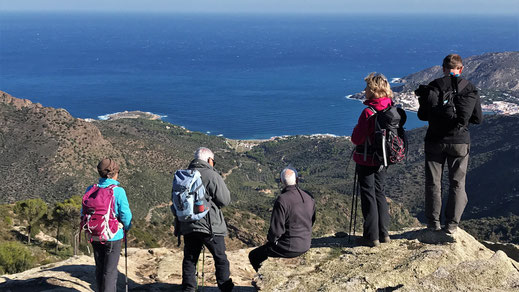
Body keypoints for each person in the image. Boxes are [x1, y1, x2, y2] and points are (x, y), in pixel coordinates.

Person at [416, 54, 482, 234]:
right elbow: (477, 118)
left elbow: (422, 115)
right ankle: (452, 225)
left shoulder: (433, 86)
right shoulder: (469, 88)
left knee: (433, 183)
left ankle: (433, 223)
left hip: (435, 141)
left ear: (443, 68)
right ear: (461, 69)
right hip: (459, 142)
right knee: (457, 183)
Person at [177, 147, 234, 292]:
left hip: (188, 224)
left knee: (190, 259)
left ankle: (189, 288)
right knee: (220, 258)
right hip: (210, 226)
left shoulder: (184, 175)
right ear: (209, 160)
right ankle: (225, 287)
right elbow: (225, 200)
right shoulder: (211, 175)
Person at [351, 72, 393, 247]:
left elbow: (357, 139)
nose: (364, 90)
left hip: (366, 159)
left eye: (367, 87)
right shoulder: (390, 108)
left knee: (368, 196)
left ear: (374, 90)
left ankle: (371, 236)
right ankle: (384, 234)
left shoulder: (369, 111)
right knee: (380, 194)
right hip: (383, 158)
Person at [248, 167, 316, 272]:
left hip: (288, 247)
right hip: (306, 244)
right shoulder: (308, 197)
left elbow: (276, 231)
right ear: (297, 180)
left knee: (254, 256)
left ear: (281, 181)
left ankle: (264, 278)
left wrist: (270, 241)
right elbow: (312, 220)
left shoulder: (282, 200)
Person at [83, 158, 132, 292]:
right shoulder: (118, 191)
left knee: (99, 268)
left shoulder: (90, 189)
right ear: (114, 173)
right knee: (109, 272)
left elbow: (84, 212)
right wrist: (127, 227)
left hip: (95, 234)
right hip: (112, 236)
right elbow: (126, 215)